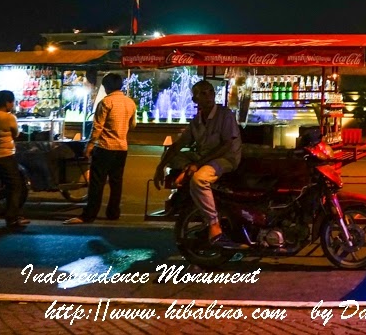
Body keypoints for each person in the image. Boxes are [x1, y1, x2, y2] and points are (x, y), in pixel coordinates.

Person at [153, 80, 243, 249]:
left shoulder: (225, 115)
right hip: (203, 157)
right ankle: (187, 171)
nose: (207, 96)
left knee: (199, 179)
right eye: (202, 93)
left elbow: (227, 145)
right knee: (171, 156)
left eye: (210, 92)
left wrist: (198, 165)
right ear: (194, 99)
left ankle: (214, 225)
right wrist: (160, 167)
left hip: (225, 159)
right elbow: (179, 144)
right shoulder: (197, 121)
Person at [65, 73, 136, 224]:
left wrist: (89, 146)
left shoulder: (106, 102)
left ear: (107, 86)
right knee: (116, 182)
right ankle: (113, 212)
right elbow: (133, 124)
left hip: (105, 147)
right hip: (122, 148)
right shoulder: (130, 103)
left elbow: (97, 127)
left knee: (97, 183)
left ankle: (89, 215)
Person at [0, 90, 30, 229]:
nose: (13, 105)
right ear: (7, 103)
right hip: (5, 156)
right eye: (12, 102)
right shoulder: (9, 117)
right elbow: (16, 134)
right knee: (16, 187)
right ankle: (12, 218)